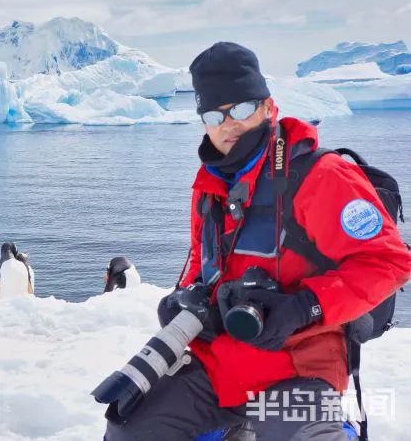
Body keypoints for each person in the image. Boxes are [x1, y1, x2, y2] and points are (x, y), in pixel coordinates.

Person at [103, 42, 410, 440]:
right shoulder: (210, 185)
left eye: (242, 109)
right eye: (215, 115)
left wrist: (305, 306)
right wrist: (184, 299)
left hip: (298, 367)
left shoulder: (321, 176)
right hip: (219, 366)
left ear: (267, 106)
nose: (229, 124)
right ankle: (237, 429)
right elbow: (202, 262)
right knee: (129, 429)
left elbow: (388, 262)